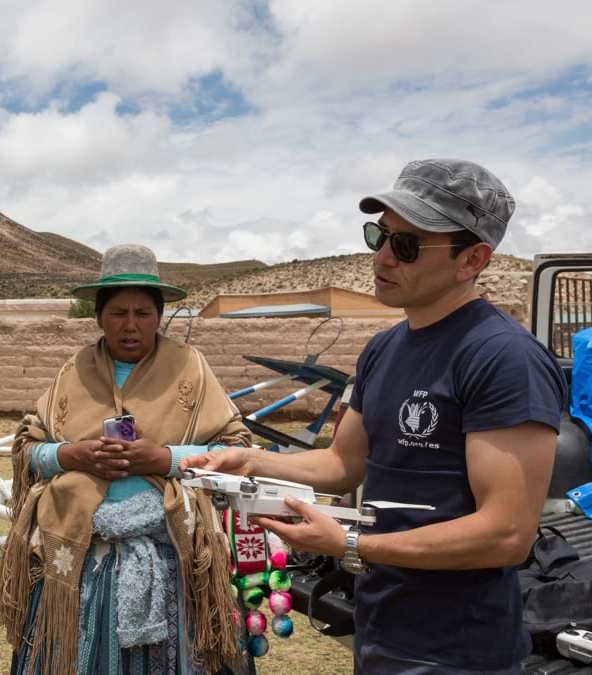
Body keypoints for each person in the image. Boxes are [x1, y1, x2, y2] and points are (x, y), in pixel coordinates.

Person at [184, 159, 567, 674]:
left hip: (459, 650)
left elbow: (507, 532)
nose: (382, 257)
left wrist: (349, 543)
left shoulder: (502, 357)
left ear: (472, 259)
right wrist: (250, 461)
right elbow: (343, 463)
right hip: (381, 625)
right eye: (379, 236)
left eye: (407, 245)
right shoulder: (383, 349)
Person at [0, 244, 251, 675]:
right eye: (118, 313)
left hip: (170, 555)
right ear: (98, 316)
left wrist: (165, 458)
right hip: (77, 561)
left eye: (143, 313)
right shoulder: (73, 370)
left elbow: (238, 450)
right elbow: (27, 450)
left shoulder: (190, 368)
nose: (131, 326)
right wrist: (70, 454)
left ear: (158, 316)